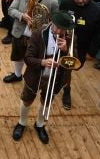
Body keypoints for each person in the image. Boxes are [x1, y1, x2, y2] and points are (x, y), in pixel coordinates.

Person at [12, 11, 76, 144]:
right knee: (27, 100)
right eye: (57, 26)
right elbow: (28, 58)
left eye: (62, 28)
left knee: (46, 101)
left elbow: (75, 61)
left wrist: (65, 50)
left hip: (56, 77)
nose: (59, 31)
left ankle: (40, 124)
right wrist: (42, 62)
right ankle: (22, 123)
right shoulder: (37, 34)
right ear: (52, 22)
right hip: (35, 75)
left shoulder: (71, 37)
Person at [58, 0, 100, 109]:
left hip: (81, 47)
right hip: (63, 41)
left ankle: (65, 87)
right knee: (60, 67)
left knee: (70, 68)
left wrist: (92, 52)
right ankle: (64, 88)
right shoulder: (66, 3)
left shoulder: (98, 11)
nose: (80, 0)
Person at [3, 0, 59, 84]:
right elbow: (11, 10)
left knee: (35, 59)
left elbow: (55, 21)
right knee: (17, 56)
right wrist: (22, 15)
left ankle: (33, 79)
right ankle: (17, 74)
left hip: (37, 37)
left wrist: (40, 24)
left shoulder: (53, 2)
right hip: (20, 33)